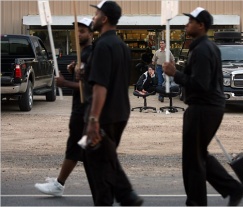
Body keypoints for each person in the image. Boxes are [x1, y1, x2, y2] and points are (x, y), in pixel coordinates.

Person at [162, 7, 243, 206]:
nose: (186, 25)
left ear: (201, 25)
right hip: (206, 107)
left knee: (194, 159)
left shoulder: (202, 49)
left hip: (204, 107)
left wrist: (175, 74)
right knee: (197, 155)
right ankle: (232, 189)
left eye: (190, 21)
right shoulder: (204, 47)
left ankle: (198, 201)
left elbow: (201, 84)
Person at [83, 1, 143, 205]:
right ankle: (126, 195)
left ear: (105, 18)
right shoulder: (121, 46)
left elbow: (101, 86)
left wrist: (93, 119)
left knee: (100, 168)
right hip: (120, 114)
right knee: (102, 160)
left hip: (104, 116)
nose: (93, 17)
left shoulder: (102, 46)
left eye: (96, 13)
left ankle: (127, 195)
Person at [34, 18, 93, 196]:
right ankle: (61, 183)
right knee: (80, 150)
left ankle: (59, 184)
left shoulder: (92, 54)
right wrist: (72, 70)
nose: (78, 34)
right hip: (78, 110)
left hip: (84, 111)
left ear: (91, 33)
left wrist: (65, 82)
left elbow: (90, 86)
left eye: (82, 31)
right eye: (77, 30)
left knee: (79, 150)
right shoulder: (82, 54)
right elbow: (82, 78)